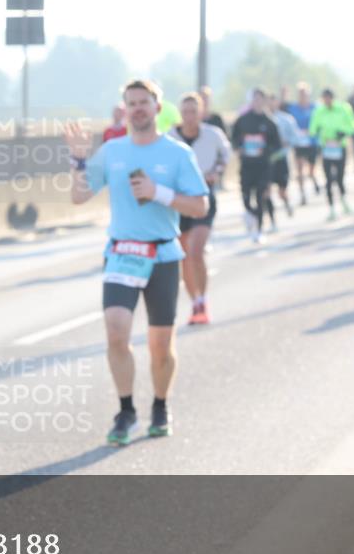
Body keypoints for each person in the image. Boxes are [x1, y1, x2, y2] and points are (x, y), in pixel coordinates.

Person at [64, 79, 208, 445]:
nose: (138, 109)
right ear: (125, 109)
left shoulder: (177, 154)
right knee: (116, 330)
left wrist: (159, 193)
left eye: (144, 102)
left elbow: (199, 206)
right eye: (132, 103)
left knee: (160, 345)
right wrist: (78, 160)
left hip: (162, 255)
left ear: (157, 108)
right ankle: (126, 411)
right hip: (122, 253)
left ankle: (160, 405)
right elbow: (79, 196)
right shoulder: (112, 151)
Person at [170, 92, 231, 325]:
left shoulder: (213, 135)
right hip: (179, 201)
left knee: (196, 251)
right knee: (184, 256)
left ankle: (203, 299)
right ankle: (194, 302)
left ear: (201, 112)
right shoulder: (170, 137)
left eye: (193, 112)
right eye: (185, 112)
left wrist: (216, 172)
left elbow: (226, 154)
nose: (189, 116)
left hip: (203, 198)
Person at [232, 88, 282, 244]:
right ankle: (250, 213)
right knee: (246, 198)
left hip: (263, 166)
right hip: (247, 165)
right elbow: (234, 138)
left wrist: (265, 150)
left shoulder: (270, 122)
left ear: (265, 101)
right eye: (255, 99)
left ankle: (259, 230)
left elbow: (277, 144)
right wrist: (239, 147)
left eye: (260, 99)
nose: (257, 102)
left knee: (260, 197)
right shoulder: (243, 120)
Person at [309, 88, 354, 221]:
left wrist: (343, 132)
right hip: (326, 148)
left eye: (329, 98)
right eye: (324, 99)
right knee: (328, 179)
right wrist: (318, 131)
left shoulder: (343, 108)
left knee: (340, 177)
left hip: (340, 147)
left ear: (333, 98)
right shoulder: (319, 111)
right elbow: (312, 129)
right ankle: (331, 208)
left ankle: (343, 201)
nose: (327, 101)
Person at [267, 93, 301, 225]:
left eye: (273, 101)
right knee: (266, 191)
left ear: (278, 103)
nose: (271, 104)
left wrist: (286, 142)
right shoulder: (262, 119)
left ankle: (286, 202)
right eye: (269, 101)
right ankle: (272, 220)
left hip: (281, 158)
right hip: (266, 161)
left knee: (281, 191)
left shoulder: (286, 119)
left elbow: (295, 137)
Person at [287, 82, 320, 202]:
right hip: (299, 143)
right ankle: (302, 194)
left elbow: (319, 123)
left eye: (305, 94)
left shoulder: (315, 108)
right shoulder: (293, 108)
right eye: (300, 94)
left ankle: (314, 179)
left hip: (312, 142)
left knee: (311, 170)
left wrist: (311, 131)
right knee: (299, 169)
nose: (303, 96)